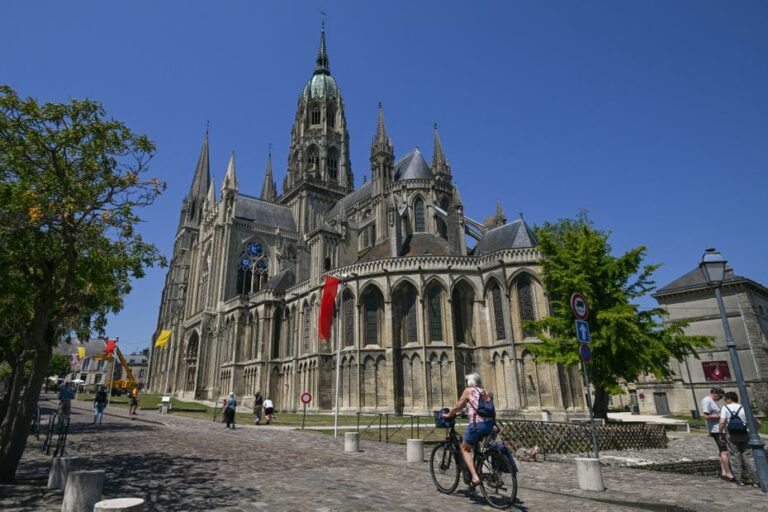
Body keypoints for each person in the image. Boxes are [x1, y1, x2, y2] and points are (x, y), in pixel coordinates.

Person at [442, 372, 495, 489]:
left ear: (469, 382)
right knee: (475, 447)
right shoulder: (484, 391)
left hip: (477, 425)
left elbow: (457, 407)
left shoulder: (469, 391)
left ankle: (475, 477)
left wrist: (448, 415)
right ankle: (479, 466)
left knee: (464, 449)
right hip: (489, 424)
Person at [719, 391, 760, 486]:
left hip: (732, 435)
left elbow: (722, 422)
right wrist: (754, 432)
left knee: (734, 457)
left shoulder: (725, 408)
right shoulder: (744, 407)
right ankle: (756, 481)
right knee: (749, 457)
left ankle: (739, 480)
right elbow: (756, 422)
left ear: (729, 399)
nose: (725, 401)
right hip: (745, 433)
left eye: (725, 399)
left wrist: (721, 433)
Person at [701, 387, 733, 481]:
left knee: (722, 451)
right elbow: (706, 416)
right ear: (715, 393)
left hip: (720, 429)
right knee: (725, 451)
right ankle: (728, 473)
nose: (720, 398)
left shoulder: (711, 401)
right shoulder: (707, 401)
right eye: (720, 396)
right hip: (716, 429)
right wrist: (721, 416)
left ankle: (724, 472)